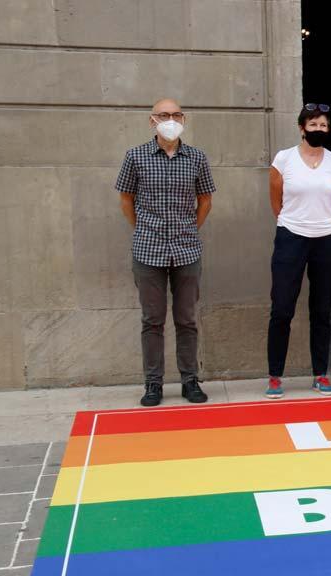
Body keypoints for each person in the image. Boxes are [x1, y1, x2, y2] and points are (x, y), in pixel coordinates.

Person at [116, 98, 215, 406]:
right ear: (152, 121)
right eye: (163, 115)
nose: (169, 119)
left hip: (187, 250)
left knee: (186, 319)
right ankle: (153, 383)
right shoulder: (135, 156)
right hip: (148, 251)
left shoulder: (197, 158)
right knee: (152, 320)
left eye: (175, 115)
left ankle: (189, 380)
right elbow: (126, 200)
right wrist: (145, 229)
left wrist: (188, 228)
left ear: (183, 118)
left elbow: (206, 201)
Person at [264, 103, 331, 399]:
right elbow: (276, 200)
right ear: (301, 128)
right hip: (291, 237)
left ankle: (320, 374)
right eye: (313, 125)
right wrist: (292, 222)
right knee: (282, 308)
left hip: (327, 239)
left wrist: (326, 224)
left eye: (323, 125)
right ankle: (275, 376)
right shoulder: (284, 159)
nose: (318, 130)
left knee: (321, 309)